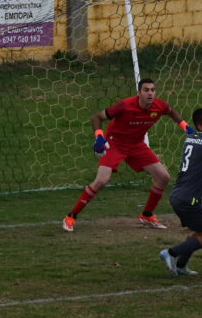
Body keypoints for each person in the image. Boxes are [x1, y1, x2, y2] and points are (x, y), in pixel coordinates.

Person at [62, 78, 192, 232]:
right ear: (139, 93)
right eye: (146, 90)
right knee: (102, 180)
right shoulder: (124, 106)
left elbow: (171, 112)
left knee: (163, 177)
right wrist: (99, 136)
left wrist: (186, 127)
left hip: (137, 145)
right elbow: (97, 117)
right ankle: (71, 216)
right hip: (115, 144)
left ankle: (147, 215)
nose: (150, 93)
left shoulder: (160, 105)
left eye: (152, 90)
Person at [160, 108, 202, 276]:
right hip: (189, 199)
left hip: (178, 195)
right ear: (201, 126)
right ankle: (171, 253)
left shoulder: (190, 139)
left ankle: (181, 266)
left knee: (198, 233)